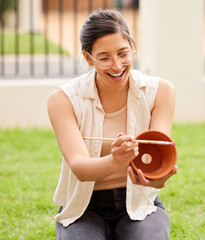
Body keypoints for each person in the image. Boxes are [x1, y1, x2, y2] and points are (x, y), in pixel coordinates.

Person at [47, 9, 178, 240]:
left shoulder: (160, 92)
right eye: (104, 58)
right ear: (88, 58)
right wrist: (115, 161)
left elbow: (158, 159)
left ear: (133, 48)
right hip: (84, 207)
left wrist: (159, 176)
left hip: (139, 203)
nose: (117, 66)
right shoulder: (63, 100)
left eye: (123, 53)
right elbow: (79, 167)